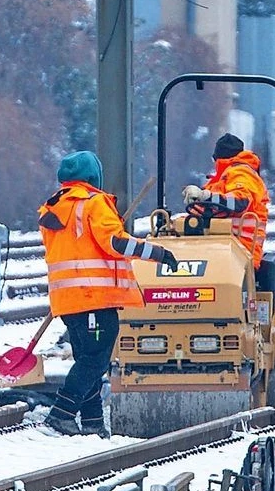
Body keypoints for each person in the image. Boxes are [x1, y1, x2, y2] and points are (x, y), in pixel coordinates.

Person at [36, 150, 176, 435]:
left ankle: (92, 423)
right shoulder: (94, 203)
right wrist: (158, 253)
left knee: (86, 361)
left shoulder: (55, 207)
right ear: (93, 176)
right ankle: (61, 413)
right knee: (95, 361)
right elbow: (115, 243)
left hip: (68, 301)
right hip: (94, 298)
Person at [188, 130, 271, 273]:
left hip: (240, 249)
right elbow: (209, 210)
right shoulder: (223, 179)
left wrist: (206, 196)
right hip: (222, 246)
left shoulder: (242, 174)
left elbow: (239, 203)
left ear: (218, 159)